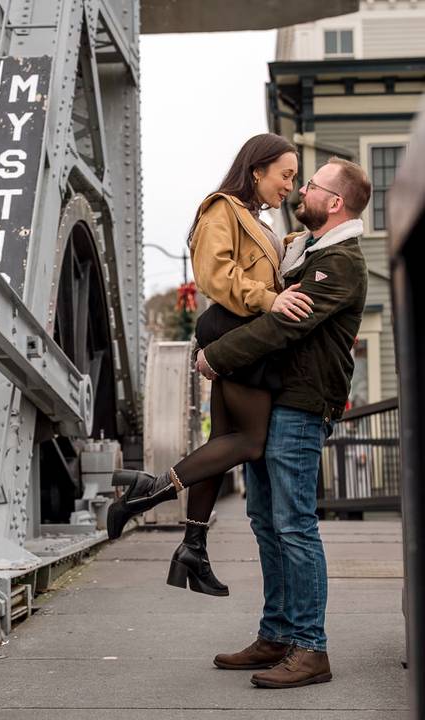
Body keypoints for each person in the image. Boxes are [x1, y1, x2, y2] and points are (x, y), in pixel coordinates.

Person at [107, 134, 314, 596]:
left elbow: (255, 264)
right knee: (250, 441)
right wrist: (272, 298)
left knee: (222, 442)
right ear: (257, 169)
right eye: (286, 175)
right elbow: (216, 275)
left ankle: (192, 548)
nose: (290, 186)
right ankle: (144, 493)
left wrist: (295, 245)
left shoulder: (255, 221)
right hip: (236, 334)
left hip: (241, 333)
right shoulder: (221, 209)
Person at [196, 156, 371, 688]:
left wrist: (215, 356)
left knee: (293, 525)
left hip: (301, 404)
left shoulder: (340, 263)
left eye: (311, 185)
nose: (302, 191)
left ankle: (311, 648)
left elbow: (281, 327)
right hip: (277, 402)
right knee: (267, 522)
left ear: (334, 202)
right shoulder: (309, 250)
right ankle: (276, 635)